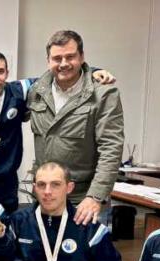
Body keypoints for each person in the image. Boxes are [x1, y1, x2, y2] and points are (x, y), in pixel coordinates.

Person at [0, 50, 116, 213]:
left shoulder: (21, 91)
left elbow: (58, 73)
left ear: (7, 73)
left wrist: (93, 71)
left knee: (7, 232)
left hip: (7, 184)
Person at [27, 30, 124, 225]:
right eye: (57, 58)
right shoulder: (36, 90)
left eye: (70, 56)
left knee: (88, 255)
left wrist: (95, 197)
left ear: (82, 57)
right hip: (44, 198)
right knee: (44, 253)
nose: (63, 63)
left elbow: (111, 149)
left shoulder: (104, 94)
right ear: (48, 61)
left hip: (83, 201)